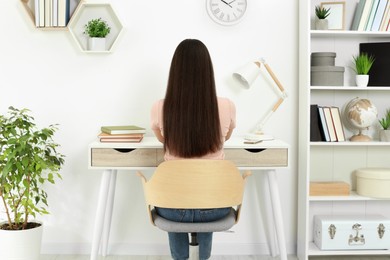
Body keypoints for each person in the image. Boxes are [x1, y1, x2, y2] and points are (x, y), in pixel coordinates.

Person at [150, 39, 236, 260]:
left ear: (175, 72)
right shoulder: (227, 106)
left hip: (172, 210)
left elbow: (162, 139)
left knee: (173, 196)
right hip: (215, 208)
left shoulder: (160, 107)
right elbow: (225, 137)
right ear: (208, 71)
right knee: (209, 194)